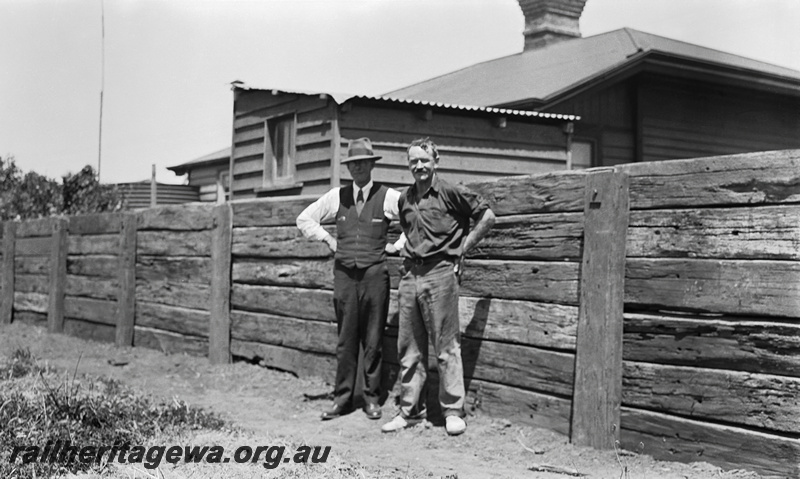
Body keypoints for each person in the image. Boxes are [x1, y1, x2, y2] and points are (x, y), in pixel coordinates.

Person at [381, 137, 496, 436]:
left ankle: (453, 411)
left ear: (436, 161)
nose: (419, 166)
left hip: (441, 274)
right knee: (409, 347)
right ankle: (410, 411)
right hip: (410, 275)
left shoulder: (450, 191)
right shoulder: (405, 198)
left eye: (424, 160)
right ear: (408, 165)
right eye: (414, 161)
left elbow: (487, 216)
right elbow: (409, 233)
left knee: (446, 345)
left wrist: (462, 250)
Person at [296, 137, 403, 421]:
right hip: (344, 274)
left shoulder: (388, 196)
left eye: (363, 163)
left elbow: (415, 219)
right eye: (353, 163)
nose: (358, 168)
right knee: (345, 339)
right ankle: (342, 399)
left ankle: (371, 399)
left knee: (373, 338)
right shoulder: (336, 196)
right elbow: (304, 219)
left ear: (371, 165)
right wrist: (328, 239)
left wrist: (399, 245)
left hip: (374, 275)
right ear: (348, 167)